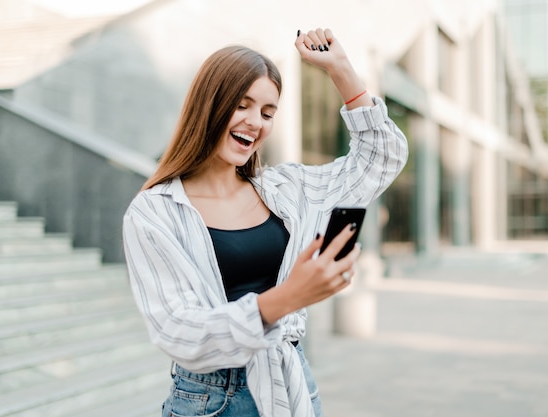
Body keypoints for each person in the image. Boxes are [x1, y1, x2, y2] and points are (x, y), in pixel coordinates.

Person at [122, 28, 408, 417]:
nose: (255, 122)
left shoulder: (286, 189)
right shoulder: (154, 212)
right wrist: (289, 297)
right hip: (212, 401)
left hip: (293, 387)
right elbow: (180, 332)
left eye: (268, 112)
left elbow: (380, 158)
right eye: (242, 105)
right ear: (209, 105)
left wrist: (341, 69)